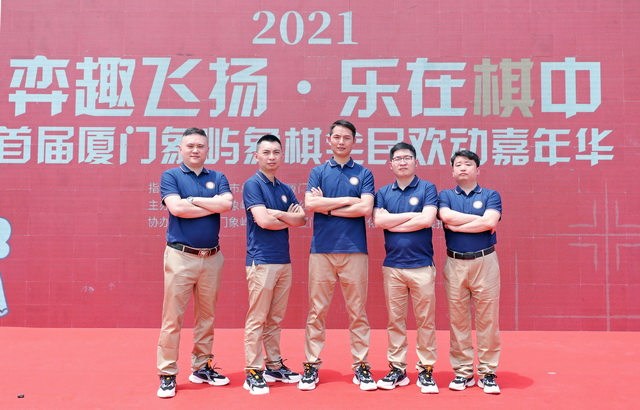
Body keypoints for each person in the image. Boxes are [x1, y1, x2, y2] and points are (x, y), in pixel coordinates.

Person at [298, 119, 376, 391]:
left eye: (347, 138)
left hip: (355, 251)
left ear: (354, 141)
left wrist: (327, 206)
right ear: (328, 139)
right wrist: (348, 201)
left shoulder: (364, 173)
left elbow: (365, 209)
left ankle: (361, 365)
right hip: (322, 250)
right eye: (337, 137)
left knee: (358, 311)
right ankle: (311, 364)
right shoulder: (318, 172)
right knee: (317, 311)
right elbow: (310, 204)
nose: (341, 142)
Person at [156, 127, 233, 398]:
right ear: (180, 149)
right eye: (190, 146)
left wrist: (193, 201)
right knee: (172, 318)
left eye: (200, 146)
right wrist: (210, 203)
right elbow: (177, 209)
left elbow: (226, 205)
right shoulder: (171, 176)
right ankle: (167, 372)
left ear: (207, 149)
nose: (195, 150)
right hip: (181, 256)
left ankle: (201, 367)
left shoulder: (218, 177)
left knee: (206, 317)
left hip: (212, 257)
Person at [242, 134, 307, 395]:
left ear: (282, 156)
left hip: (283, 260)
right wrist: (286, 217)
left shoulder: (284, 188)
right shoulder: (252, 184)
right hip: (261, 260)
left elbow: (301, 220)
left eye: (276, 152)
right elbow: (263, 221)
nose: (271, 157)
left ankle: (274, 365)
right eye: (266, 152)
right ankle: (253, 370)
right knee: (257, 318)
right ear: (256, 156)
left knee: (275, 319)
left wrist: (279, 214)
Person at [373, 142, 439, 394]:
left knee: (425, 321)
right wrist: (413, 216)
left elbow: (428, 219)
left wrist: (393, 221)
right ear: (390, 164)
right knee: (395, 321)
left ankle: (426, 369)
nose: (403, 162)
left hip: (422, 265)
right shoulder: (383, 192)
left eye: (407, 158)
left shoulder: (427, 188)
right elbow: (379, 220)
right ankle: (397, 369)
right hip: (393, 267)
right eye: (398, 159)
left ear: (415, 162)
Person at [438, 149, 502, 394]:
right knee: (458, 320)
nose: (463, 168)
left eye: (468, 164)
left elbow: (490, 221)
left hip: (485, 262)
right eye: (458, 165)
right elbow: (446, 216)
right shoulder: (445, 195)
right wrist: (477, 221)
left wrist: (458, 224)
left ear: (477, 169)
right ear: (452, 171)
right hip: (455, 263)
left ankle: (487, 372)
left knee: (488, 319)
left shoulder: (490, 195)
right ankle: (463, 372)